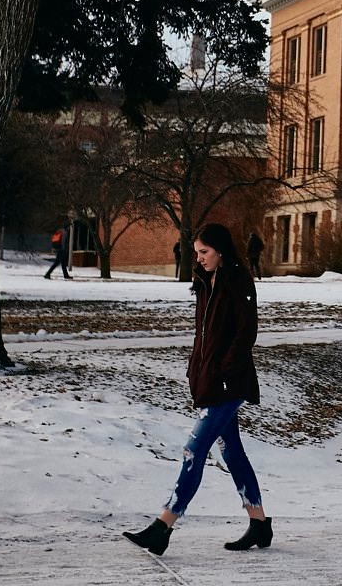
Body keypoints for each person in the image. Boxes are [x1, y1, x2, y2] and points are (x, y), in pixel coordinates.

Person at [124, 223, 271, 555]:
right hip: (211, 379)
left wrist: (223, 371)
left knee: (194, 449)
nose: (200, 258)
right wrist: (196, 368)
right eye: (197, 253)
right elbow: (203, 335)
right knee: (231, 452)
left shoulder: (239, 280)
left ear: (220, 250)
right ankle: (260, 523)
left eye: (204, 252)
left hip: (230, 382)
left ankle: (163, 526)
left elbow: (245, 334)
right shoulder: (205, 281)